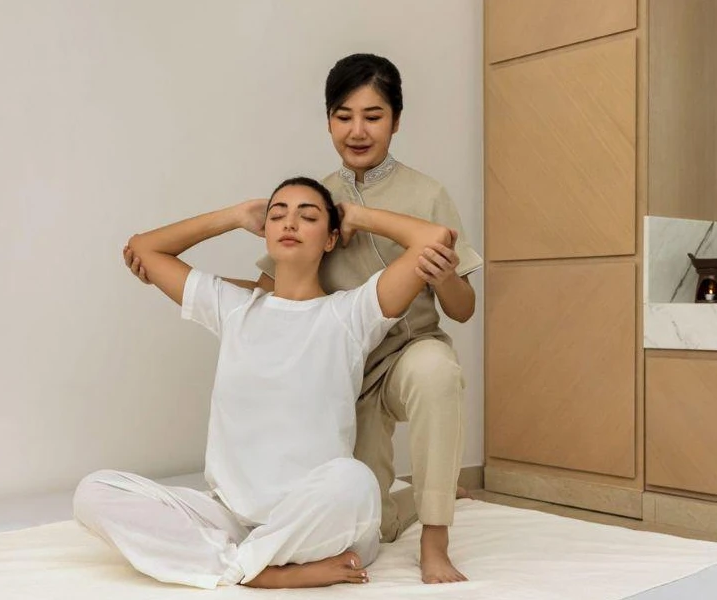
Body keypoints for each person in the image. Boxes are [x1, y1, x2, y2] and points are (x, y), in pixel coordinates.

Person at [126, 52, 480, 585]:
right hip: (342, 371)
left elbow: (462, 307)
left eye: (373, 116)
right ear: (328, 120)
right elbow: (273, 298)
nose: (357, 130)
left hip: (402, 350)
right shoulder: (310, 197)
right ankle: (412, 503)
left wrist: (362, 217)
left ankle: (435, 541)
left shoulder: (424, 195)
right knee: (373, 519)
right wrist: (227, 242)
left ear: (396, 121)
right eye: (343, 116)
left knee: (434, 373)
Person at [79, 177, 457, 589]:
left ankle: (237, 565)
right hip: (231, 517)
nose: (289, 223)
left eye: (308, 216)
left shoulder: (351, 314)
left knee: (356, 481)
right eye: (277, 215)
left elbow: (434, 239)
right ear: (265, 231)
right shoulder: (234, 308)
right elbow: (144, 248)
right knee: (94, 491)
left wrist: (356, 215)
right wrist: (235, 215)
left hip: (317, 519)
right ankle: (258, 569)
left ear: (331, 239)